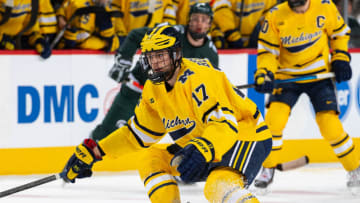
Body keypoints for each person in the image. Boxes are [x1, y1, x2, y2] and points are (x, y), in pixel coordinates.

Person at [60, 24, 272, 203]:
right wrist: (97, 151)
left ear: (176, 54)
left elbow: (225, 125)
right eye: (151, 57)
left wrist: (203, 149)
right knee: (151, 159)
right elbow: (135, 135)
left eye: (161, 55)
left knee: (217, 186)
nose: (155, 62)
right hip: (204, 144)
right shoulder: (154, 89)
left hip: (244, 136)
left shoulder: (199, 76)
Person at [253, 0, 360, 192]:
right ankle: (267, 169)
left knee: (330, 125)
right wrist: (264, 73)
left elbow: (340, 33)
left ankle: (355, 168)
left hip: (319, 75)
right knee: (274, 122)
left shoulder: (325, 7)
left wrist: (341, 57)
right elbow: (267, 52)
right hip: (287, 77)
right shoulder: (275, 15)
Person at [91, 2, 218, 142]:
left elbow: (208, 83)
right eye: (195, 18)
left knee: (173, 142)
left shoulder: (210, 54)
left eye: (204, 19)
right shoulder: (171, 33)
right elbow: (135, 35)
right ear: (189, 20)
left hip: (163, 103)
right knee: (106, 135)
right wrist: (123, 62)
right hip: (136, 92)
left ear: (210, 23)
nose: (199, 23)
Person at [55, 0, 120, 52]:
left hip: (90, 55)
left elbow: (115, 41)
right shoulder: (76, 3)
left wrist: (106, 43)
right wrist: (60, 17)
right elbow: (81, 41)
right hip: (66, 48)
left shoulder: (110, 10)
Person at [211, 0, 278, 49]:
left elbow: (269, 18)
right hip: (225, 40)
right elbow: (220, 9)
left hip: (249, 45)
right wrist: (232, 34)